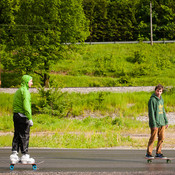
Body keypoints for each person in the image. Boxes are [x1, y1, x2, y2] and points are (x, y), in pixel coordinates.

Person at [10, 75, 35, 164]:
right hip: (23, 117)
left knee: (17, 134)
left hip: (16, 115)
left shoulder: (18, 91)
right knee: (25, 135)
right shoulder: (25, 92)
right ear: (26, 82)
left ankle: (14, 155)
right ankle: (25, 156)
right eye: (31, 81)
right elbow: (26, 106)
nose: (32, 83)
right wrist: (30, 118)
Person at [146, 84, 168, 159]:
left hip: (162, 122)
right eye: (158, 90)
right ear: (155, 90)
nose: (159, 92)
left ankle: (158, 153)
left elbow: (163, 111)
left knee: (162, 138)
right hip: (155, 123)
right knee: (153, 138)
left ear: (162, 92)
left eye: (160, 91)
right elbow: (151, 113)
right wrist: (154, 124)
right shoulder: (152, 100)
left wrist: (166, 121)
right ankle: (149, 153)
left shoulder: (161, 99)